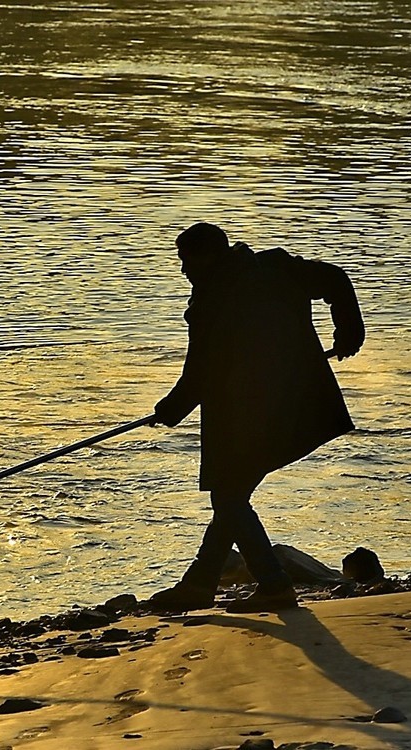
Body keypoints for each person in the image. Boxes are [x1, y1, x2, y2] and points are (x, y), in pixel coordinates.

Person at [148, 222, 364, 614]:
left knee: (228, 496)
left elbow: (201, 372)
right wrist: (350, 331)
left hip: (247, 415)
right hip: (295, 403)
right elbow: (334, 278)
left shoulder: (212, 301)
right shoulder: (274, 269)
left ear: (208, 256)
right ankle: (200, 583)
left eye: (186, 261)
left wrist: (170, 409)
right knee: (232, 497)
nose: (183, 270)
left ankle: (273, 584)